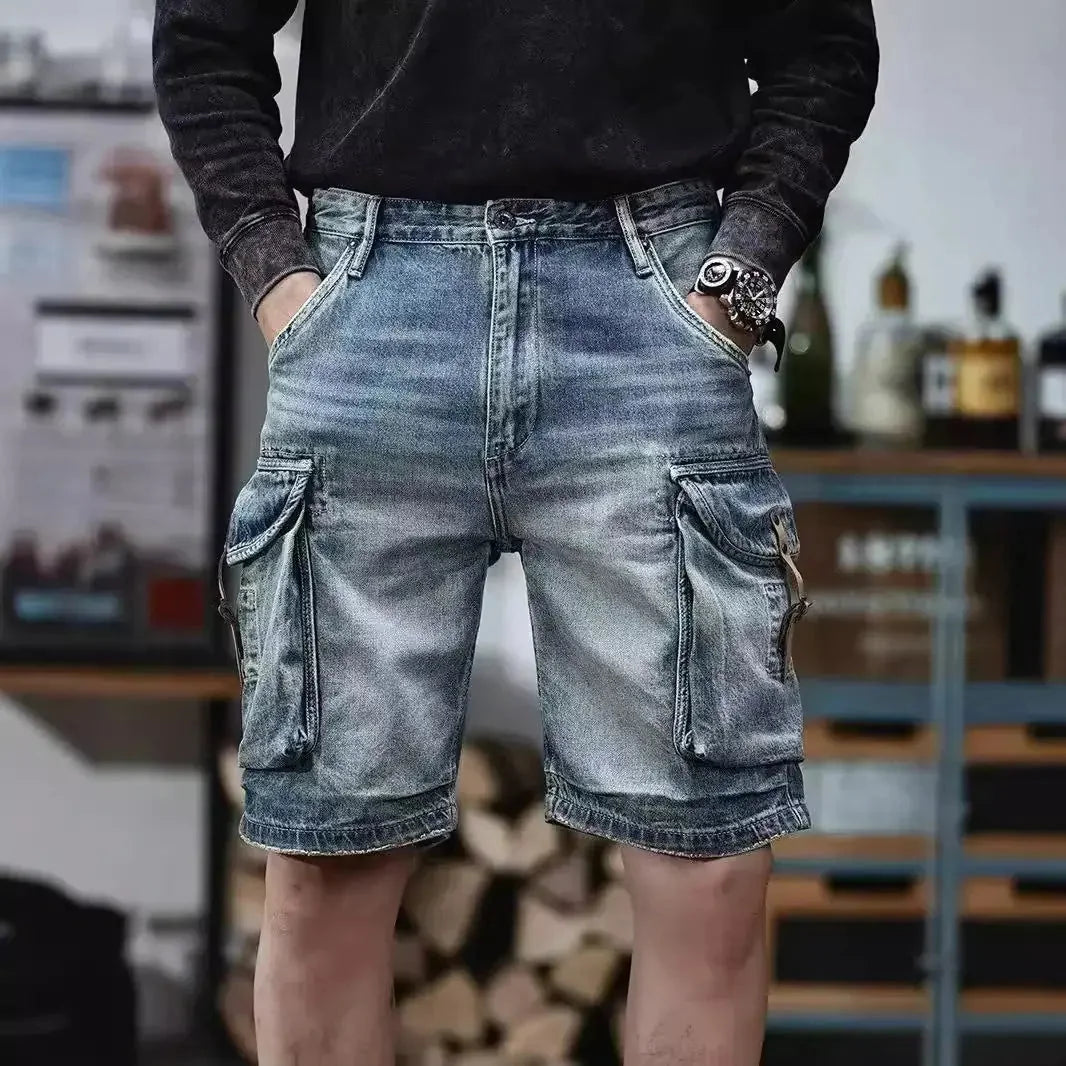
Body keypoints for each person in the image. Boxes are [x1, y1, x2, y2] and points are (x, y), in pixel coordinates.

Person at [154, 3, 878, 1063]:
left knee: (710, 866)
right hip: (374, 308)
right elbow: (203, 35)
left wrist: (737, 280)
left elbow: (822, 49)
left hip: (650, 310)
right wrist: (280, 280)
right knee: (324, 863)